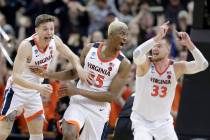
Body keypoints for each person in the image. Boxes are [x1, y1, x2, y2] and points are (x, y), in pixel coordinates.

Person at [33, 19, 131, 140]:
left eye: (127, 34)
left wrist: (77, 91)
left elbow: (110, 96)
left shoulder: (124, 63)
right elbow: (74, 73)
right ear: (110, 34)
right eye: (122, 33)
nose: (125, 38)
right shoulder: (90, 49)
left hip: (99, 109)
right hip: (78, 103)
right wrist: (49, 74)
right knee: (69, 134)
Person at [0, 14, 86, 140]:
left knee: (37, 136)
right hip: (17, 91)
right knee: (3, 132)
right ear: (36, 30)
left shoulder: (54, 41)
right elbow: (16, 77)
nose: (49, 32)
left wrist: (79, 69)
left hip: (34, 92)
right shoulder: (27, 46)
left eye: (51, 28)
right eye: (45, 29)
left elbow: (73, 57)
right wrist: (39, 87)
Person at [131, 21, 208, 140]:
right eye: (154, 46)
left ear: (168, 48)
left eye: (159, 45)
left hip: (163, 123)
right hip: (142, 121)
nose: (154, 48)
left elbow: (203, 65)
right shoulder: (145, 64)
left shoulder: (176, 68)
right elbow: (136, 54)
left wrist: (189, 43)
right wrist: (157, 38)